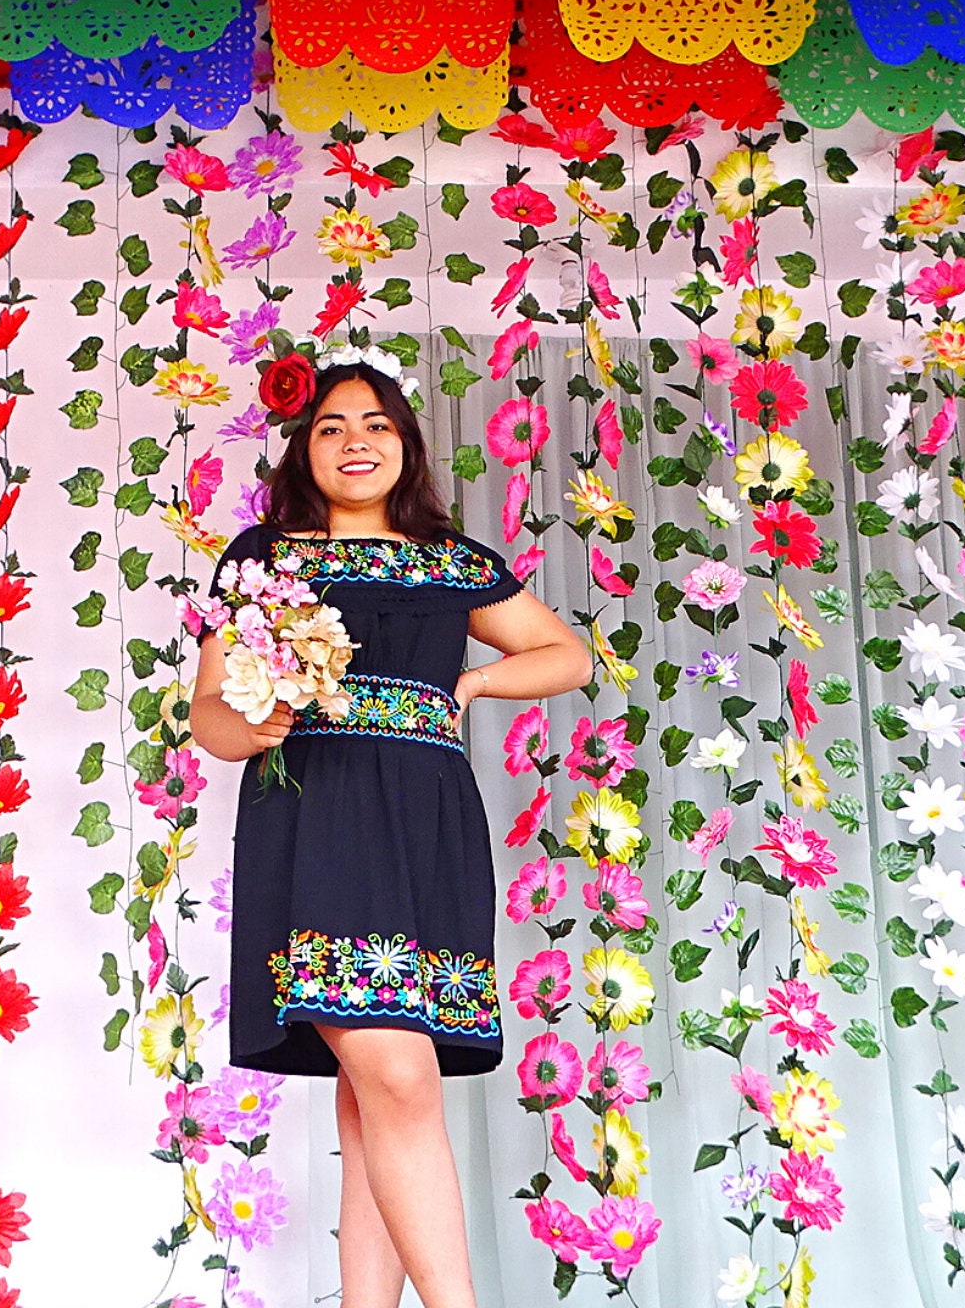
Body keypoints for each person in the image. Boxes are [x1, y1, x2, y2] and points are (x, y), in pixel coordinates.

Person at [191, 361, 592, 1308]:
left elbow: (567, 653)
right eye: (331, 427)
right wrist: (255, 725)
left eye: (376, 424)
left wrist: (479, 683)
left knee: (377, 1089)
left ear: (406, 445)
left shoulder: (452, 562)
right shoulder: (264, 557)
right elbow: (207, 713)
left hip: (430, 827)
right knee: (399, 1074)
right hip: (315, 819)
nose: (355, 441)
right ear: (305, 448)